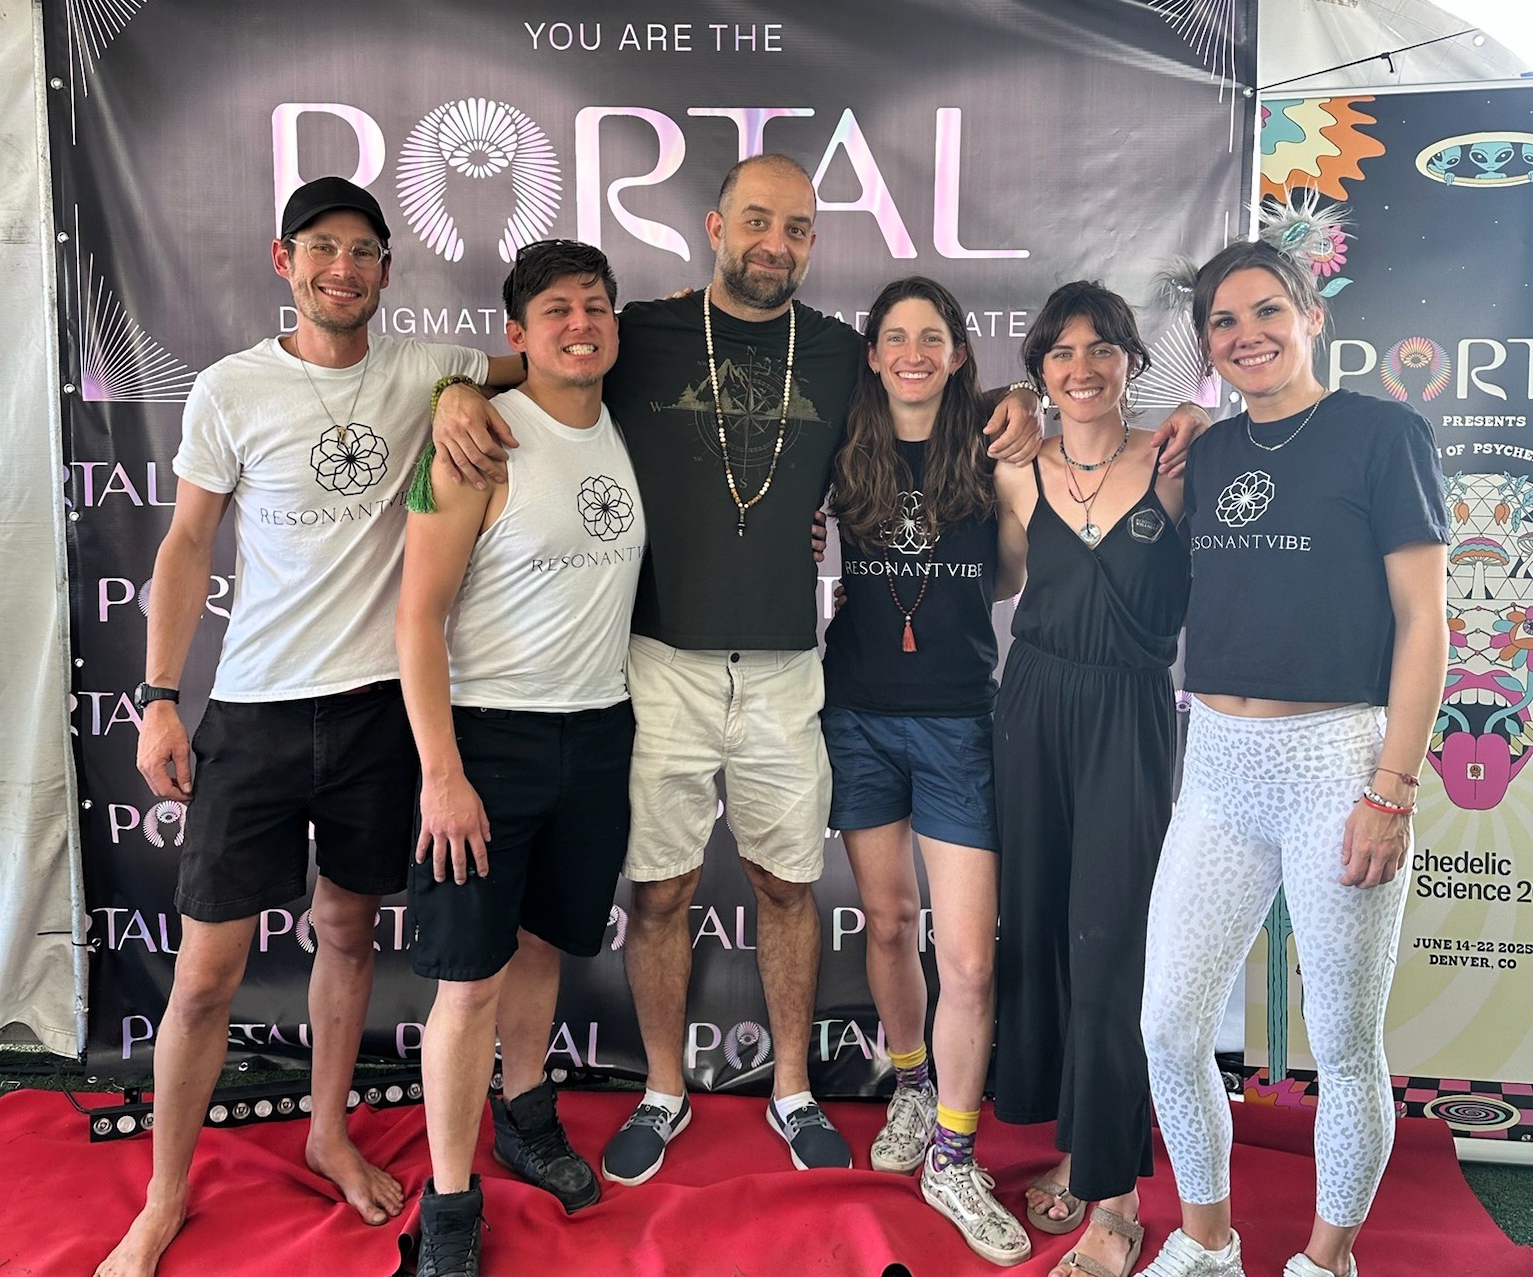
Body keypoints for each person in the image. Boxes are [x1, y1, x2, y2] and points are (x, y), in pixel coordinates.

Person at [431, 154, 1049, 1183]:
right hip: (659, 656)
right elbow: (543, 358)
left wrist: (1023, 396)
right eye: (757, 222)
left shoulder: (846, 351)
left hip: (784, 665)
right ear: (715, 226)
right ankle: (666, 1087)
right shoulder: (645, 335)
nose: (776, 243)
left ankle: (794, 1085)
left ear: (814, 241)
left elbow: (938, 378)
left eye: (798, 228)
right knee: (662, 889)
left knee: (786, 882)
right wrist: (458, 385)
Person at [96, 176, 519, 1277]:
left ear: (388, 269)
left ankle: (328, 1131)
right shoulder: (231, 388)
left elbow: (539, 362)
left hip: (382, 713)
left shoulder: (426, 367)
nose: (345, 268)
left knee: (346, 932)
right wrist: (156, 697)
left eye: (365, 251)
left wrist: (469, 397)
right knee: (202, 978)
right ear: (284, 260)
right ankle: (163, 1195)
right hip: (254, 715)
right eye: (322, 249)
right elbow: (186, 546)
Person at [1137, 228, 1449, 1277]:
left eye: (1268, 309)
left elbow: (1425, 623)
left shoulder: (1381, 432)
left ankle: (1326, 1260)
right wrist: (1186, 426)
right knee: (1171, 1026)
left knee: (1346, 1040)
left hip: (1338, 764)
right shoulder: (1208, 450)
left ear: (1314, 317)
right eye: (1224, 321)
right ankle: (1208, 1239)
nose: (1247, 332)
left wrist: (1391, 791)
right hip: (1216, 765)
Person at [395, 240, 644, 1277]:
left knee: (542, 946)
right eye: (555, 309)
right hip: (489, 739)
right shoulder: (475, 441)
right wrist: (442, 772)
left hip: (597, 733)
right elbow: (416, 614)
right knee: (468, 979)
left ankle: (526, 1109)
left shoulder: (627, 428)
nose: (579, 322)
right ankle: (449, 1204)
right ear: (516, 332)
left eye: (594, 305)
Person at [821, 276, 1028, 1265]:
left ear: (957, 352)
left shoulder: (994, 436)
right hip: (856, 713)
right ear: (872, 352)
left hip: (956, 718)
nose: (912, 350)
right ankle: (908, 1081)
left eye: (932, 336)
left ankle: (953, 1150)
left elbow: (1019, 570)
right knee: (892, 922)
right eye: (894, 334)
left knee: (973, 957)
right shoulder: (839, 436)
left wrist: (1022, 436)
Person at [990, 281, 1190, 1277]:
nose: (1083, 366)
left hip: (1130, 713)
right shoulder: (1017, 468)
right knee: (1042, 929)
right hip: (1031, 708)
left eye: (1102, 347)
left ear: (1129, 359)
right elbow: (994, 577)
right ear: (1040, 369)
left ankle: (1115, 1199)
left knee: (1112, 941)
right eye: (1062, 351)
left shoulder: (1176, 456)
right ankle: (1077, 1140)